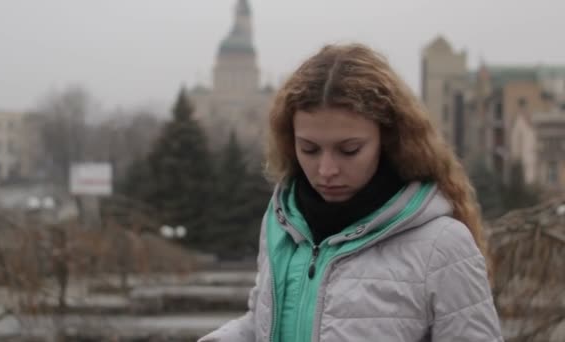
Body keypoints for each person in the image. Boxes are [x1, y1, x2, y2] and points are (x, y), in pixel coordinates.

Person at [199, 43, 503, 342]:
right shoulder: (281, 223)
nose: (326, 170)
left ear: (388, 140)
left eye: (349, 150)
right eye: (309, 149)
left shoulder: (442, 245)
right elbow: (266, 320)